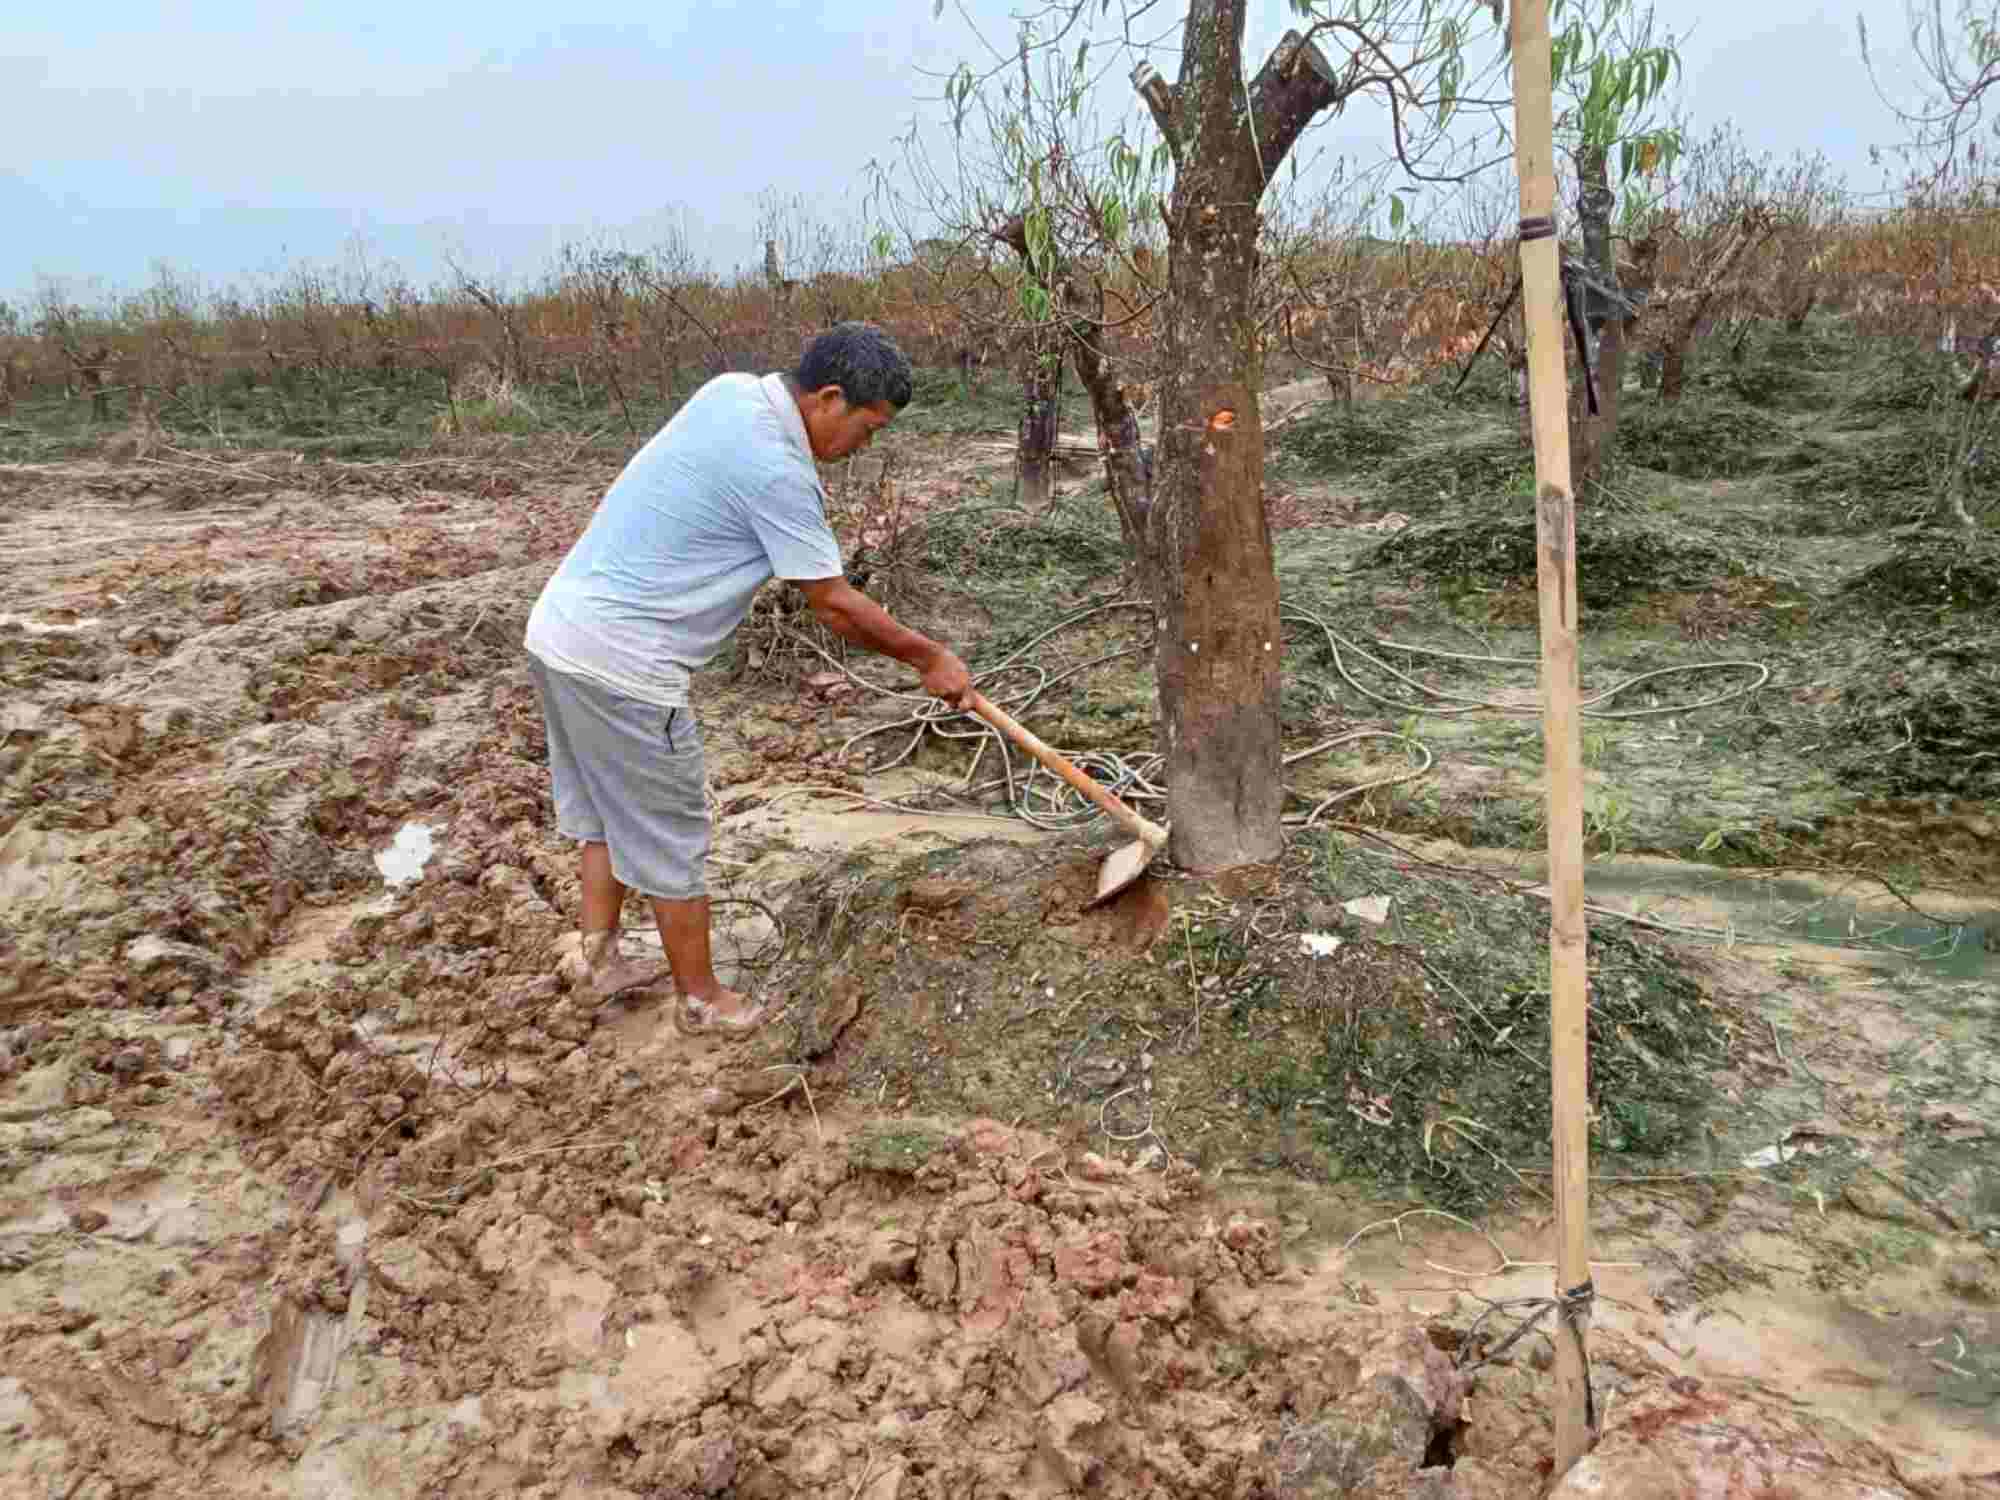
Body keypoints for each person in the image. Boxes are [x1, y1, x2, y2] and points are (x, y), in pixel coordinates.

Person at [523, 322, 973, 1036]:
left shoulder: (732, 394)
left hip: (559, 633)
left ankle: (597, 958)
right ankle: (703, 1001)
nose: (867, 448)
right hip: (623, 666)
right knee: (672, 832)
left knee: (606, 813)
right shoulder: (776, 469)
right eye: (869, 428)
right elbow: (831, 602)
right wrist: (928, 658)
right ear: (829, 398)